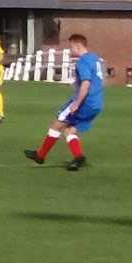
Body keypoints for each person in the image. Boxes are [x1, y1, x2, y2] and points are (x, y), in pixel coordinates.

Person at [25, 33, 103, 171]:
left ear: (77, 45)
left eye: (71, 46)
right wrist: (75, 83)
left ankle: (40, 155)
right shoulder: (95, 58)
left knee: (56, 125)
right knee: (69, 132)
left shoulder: (82, 61)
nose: (70, 50)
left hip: (84, 102)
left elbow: (86, 83)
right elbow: (93, 79)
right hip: (96, 103)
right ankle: (78, 157)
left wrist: (76, 103)